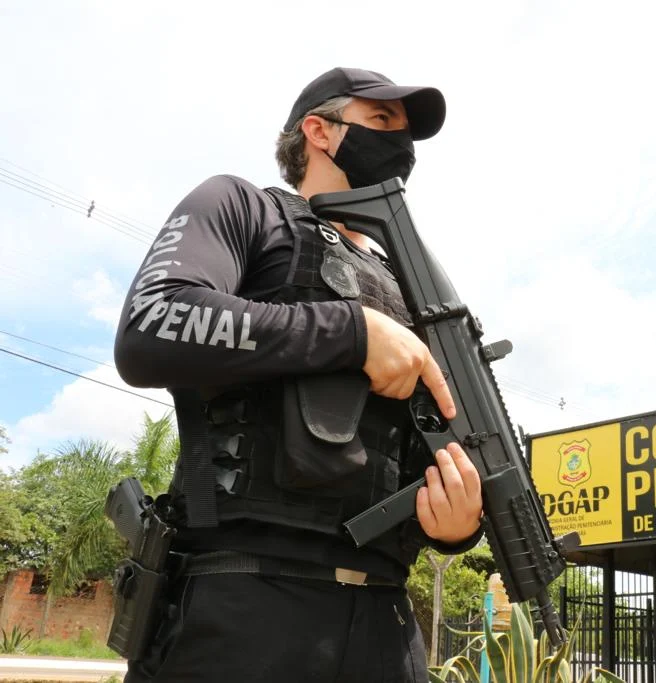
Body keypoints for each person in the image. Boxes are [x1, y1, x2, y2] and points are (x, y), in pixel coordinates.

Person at [113, 67, 484, 683]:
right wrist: (351, 333)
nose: (403, 148)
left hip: (388, 625)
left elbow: (435, 448)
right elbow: (152, 323)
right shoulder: (242, 208)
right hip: (244, 608)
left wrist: (457, 524)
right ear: (319, 130)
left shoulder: (416, 290)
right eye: (384, 123)